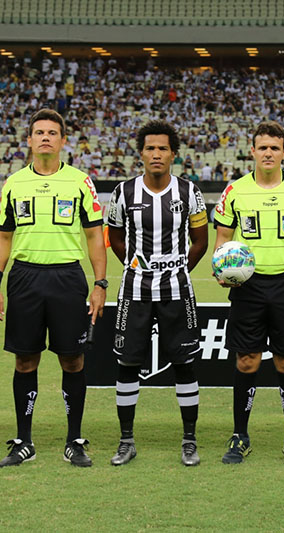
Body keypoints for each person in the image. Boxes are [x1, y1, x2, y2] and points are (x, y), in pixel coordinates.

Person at [0, 109, 107, 468]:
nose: (45, 138)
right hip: (24, 278)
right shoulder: (14, 183)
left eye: (52, 133)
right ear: (28, 140)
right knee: (25, 359)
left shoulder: (80, 182)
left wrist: (100, 284)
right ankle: (24, 439)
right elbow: (3, 236)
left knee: (73, 358)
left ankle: (75, 440)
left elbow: (94, 237)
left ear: (63, 141)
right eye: (38, 132)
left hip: (68, 278)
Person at [213, 121, 284, 466]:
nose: (268, 153)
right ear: (252, 151)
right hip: (247, 287)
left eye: (274, 148)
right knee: (246, 361)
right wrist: (221, 268)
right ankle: (240, 435)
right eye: (262, 147)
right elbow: (223, 235)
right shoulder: (235, 190)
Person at [106, 120, 208, 466]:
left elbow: (201, 241)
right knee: (128, 363)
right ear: (141, 153)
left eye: (163, 148)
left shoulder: (189, 192)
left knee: (184, 364)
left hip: (177, 291)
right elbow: (115, 237)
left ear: (173, 154)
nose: (156, 154)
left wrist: (177, 270)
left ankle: (189, 440)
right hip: (134, 291)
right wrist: (134, 266)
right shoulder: (123, 192)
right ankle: (126, 441)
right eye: (150, 148)